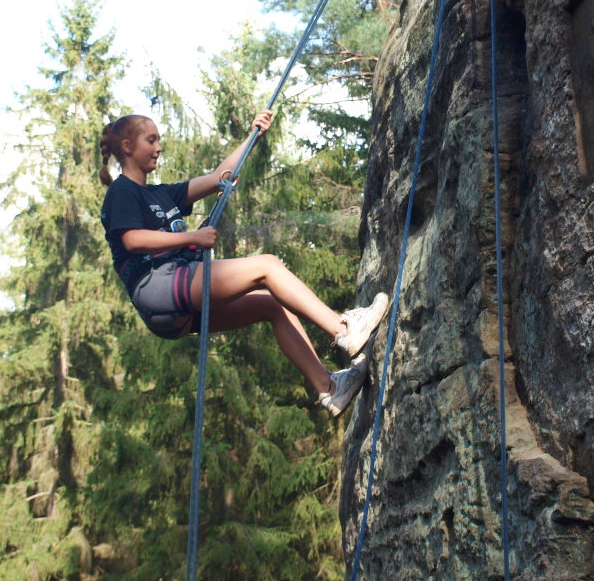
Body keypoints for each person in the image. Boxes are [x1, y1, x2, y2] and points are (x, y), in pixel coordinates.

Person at [99, 109, 388, 417]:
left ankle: (329, 388)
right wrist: (192, 237)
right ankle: (343, 329)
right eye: (151, 140)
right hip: (156, 283)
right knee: (267, 266)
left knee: (272, 304)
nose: (159, 148)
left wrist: (254, 136)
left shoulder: (161, 194)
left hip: (173, 299)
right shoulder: (122, 191)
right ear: (128, 146)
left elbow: (219, 177)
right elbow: (132, 239)